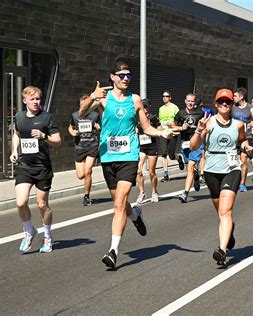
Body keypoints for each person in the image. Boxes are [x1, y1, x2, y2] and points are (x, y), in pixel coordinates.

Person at [79, 60, 172, 268]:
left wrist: (161, 133)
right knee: (120, 204)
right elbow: (82, 112)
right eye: (121, 75)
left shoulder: (135, 100)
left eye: (128, 76)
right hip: (109, 157)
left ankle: (113, 251)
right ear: (112, 77)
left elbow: (146, 128)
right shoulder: (103, 98)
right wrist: (92, 97)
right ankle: (135, 215)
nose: (126, 79)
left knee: (119, 203)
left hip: (129, 156)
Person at [190, 88, 252, 266]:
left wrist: (246, 147)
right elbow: (194, 147)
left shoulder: (238, 124)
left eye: (228, 102)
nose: (224, 105)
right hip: (211, 171)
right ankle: (230, 231)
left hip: (232, 169)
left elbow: (242, 140)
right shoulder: (208, 123)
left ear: (232, 104)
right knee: (220, 211)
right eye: (221, 102)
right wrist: (198, 130)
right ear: (216, 104)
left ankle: (222, 250)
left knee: (226, 211)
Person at [11, 86, 61, 253]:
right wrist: (13, 151)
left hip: (42, 168)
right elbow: (17, 133)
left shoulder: (47, 118)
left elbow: (58, 142)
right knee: (20, 202)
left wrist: (44, 136)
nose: (35, 102)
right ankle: (29, 231)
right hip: (25, 166)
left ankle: (47, 236)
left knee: (42, 204)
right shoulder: (19, 117)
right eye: (32, 99)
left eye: (38, 99)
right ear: (25, 100)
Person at [69, 96, 101, 206]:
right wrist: (72, 132)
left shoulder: (95, 115)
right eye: (82, 104)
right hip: (79, 146)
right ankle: (86, 179)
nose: (84, 106)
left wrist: (98, 128)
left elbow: (101, 127)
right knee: (80, 175)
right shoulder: (75, 115)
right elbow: (71, 127)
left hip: (92, 145)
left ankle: (86, 196)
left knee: (88, 171)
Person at [175, 93, 204, 203]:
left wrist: (201, 129)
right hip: (185, 143)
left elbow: (207, 125)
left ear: (195, 102)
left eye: (192, 101)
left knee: (191, 165)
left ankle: (185, 193)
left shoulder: (200, 113)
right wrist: (182, 127)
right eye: (189, 101)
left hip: (197, 142)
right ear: (185, 101)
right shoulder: (180, 114)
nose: (190, 103)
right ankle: (196, 177)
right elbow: (173, 126)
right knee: (189, 169)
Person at [135, 99, 160, 204]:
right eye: (142, 106)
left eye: (145, 107)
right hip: (141, 146)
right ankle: (142, 192)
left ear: (149, 107)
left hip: (152, 147)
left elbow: (160, 129)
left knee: (151, 172)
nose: (144, 109)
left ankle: (154, 192)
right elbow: (135, 129)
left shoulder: (153, 118)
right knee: (138, 171)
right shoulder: (137, 118)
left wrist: (154, 132)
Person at [232, 87, 253, 192]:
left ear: (241, 97)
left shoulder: (250, 108)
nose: (233, 98)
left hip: (246, 137)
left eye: (235, 96)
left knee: (243, 160)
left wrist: (251, 124)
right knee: (234, 161)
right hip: (234, 138)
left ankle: (242, 183)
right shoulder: (233, 107)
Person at [157, 91, 180, 182]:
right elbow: (160, 121)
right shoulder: (160, 109)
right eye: (163, 96)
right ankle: (166, 175)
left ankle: (178, 158)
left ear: (170, 97)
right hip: (164, 133)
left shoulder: (175, 107)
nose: (164, 98)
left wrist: (173, 123)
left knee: (171, 155)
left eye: (166, 96)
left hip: (173, 133)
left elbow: (179, 120)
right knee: (163, 153)